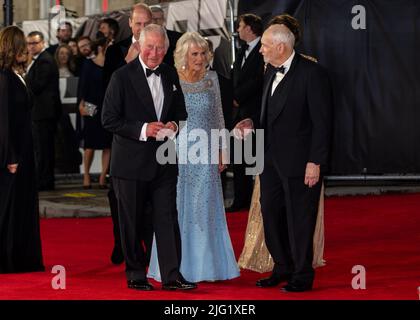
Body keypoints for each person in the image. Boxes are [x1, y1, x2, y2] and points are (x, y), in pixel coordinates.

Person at [235, 15, 332, 292]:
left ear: (281, 47)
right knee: (270, 213)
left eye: (265, 45)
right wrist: (251, 122)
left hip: (301, 163)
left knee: (300, 218)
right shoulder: (269, 70)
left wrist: (315, 161)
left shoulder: (313, 74)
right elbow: (269, 113)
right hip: (269, 160)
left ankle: (302, 275)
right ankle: (282, 266)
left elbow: (323, 123)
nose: (261, 50)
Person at [102, 24, 196, 291]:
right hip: (130, 164)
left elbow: (180, 112)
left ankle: (171, 276)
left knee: (167, 219)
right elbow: (108, 119)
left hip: (164, 161)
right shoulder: (121, 77)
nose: (155, 53)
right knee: (131, 221)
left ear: (166, 49)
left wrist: (174, 127)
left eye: (160, 48)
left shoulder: (170, 74)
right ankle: (135, 274)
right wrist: (144, 129)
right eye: (150, 47)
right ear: (139, 46)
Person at [147, 32, 240, 283]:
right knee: (174, 207)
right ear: (184, 56)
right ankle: (174, 265)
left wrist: (223, 150)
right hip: (177, 150)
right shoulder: (171, 77)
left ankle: (206, 267)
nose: (200, 58)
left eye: (203, 53)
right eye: (194, 54)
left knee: (204, 209)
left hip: (207, 153)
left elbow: (219, 117)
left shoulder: (212, 80)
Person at [103, 3, 153, 266]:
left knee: (149, 201)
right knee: (118, 197)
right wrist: (126, 64)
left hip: (155, 138)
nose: (142, 28)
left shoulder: (161, 48)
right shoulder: (115, 51)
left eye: (147, 23)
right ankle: (121, 243)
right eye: (138, 24)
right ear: (130, 24)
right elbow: (106, 97)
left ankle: (149, 246)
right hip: (124, 136)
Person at [0, 26, 44, 273]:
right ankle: (9, 259)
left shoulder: (14, 75)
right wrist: (10, 156)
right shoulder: (4, 78)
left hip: (24, 150)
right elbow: (4, 121)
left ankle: (20, 257)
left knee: (21, 207)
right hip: (14, 155)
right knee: (10, 208)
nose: (27, 49)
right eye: (23, 45)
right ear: (13, 47)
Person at [238, 176, 326, 272]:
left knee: (297, 211)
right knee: (269, 208)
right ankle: (281, 263)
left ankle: (297, 264)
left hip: (298, 168)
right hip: (269, 167)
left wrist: (315, 162)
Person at [227, 14, 264, 212]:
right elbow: (234, 77)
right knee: (239, 159)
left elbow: (259, 79)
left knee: (254, 160)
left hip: (255, 113)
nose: (238, 30)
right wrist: (232, 98)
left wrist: (238, 97)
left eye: (240, 26)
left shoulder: (263, 50)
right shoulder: (241, 51)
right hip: (238, 114)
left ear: (249, 28)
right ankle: (241, 200)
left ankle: (257, 201)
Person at [25, 31, 61, 191]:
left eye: (34, 43)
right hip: (40, 112)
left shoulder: (45, 61)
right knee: (41, 148)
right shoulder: (39, 60)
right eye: (29, 43)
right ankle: (43, 180)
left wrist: (23, 75)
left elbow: (36, 86)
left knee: (44, 149)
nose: (30, 47)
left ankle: (45, 181)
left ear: (42, 43)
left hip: (44, 113)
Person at [78, 37, 112, 189]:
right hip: (92, 106)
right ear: (101, 48)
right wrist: (81, 105)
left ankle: (102, 177)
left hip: (108, 107)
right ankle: (86, 175)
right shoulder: (88, 64)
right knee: (89, 144)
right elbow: (82, 87)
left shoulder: (111, 66)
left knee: (107, 144)